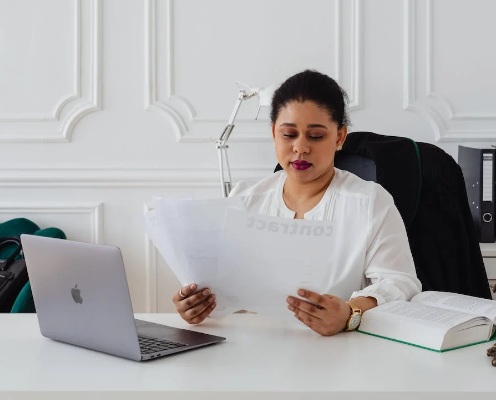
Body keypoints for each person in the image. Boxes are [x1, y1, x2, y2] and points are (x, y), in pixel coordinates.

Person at [172, 69, 422, 336]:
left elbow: (400, 283)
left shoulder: (370, 202)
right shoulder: (244, 200)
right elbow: (223, 287)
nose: (300, 148)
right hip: (257, 350)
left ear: (339, 137)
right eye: (289, 134)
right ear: (273, 133)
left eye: (315, 136)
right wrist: (197, 305)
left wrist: (350, 313)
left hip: (340, 352)